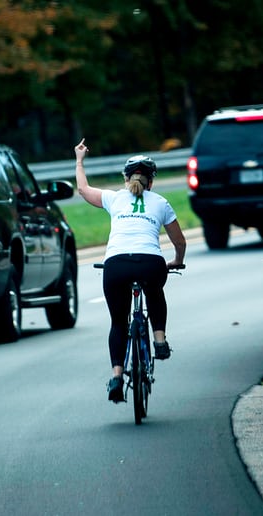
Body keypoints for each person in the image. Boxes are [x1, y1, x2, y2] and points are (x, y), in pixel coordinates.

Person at [74, 138, 187, 403]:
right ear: (152, 181)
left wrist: (79, 160)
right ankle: (159, 340)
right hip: (150, 262)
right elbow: (179, 241)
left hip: (116, 264)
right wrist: (177, 260)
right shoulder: (160, 202)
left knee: (118, 322)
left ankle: (116, 375)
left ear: (126, 179)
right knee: (155, 291)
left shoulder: (114, 198)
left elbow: (82, 189)